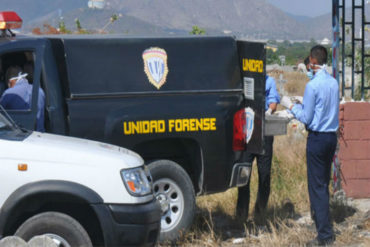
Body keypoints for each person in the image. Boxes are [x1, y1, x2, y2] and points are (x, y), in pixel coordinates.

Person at [280, 45, 339, 246]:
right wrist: (303, 102)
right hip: (331, 137)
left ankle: (324, 235)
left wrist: (290, 105)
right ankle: (321, 222)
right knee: (323, 182)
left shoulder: (313, 86)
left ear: (312, 61)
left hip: (317, 138)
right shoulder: (333, 82)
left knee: (317, 187)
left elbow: (307, 117)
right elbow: (323, 108)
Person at [236, 75, 280, 220]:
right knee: (244, 173)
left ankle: (260, 212)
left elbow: (273, 102)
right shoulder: (244, 78)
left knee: (264, 173)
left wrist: (268, 111)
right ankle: (241, 214)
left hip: (264, 133)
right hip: (247, 131)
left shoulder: (269, 81)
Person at [1, 66, 45, 132]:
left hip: (20, 137)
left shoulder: (8, 93)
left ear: (10, 80)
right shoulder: (40, 91)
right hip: (41, 136)